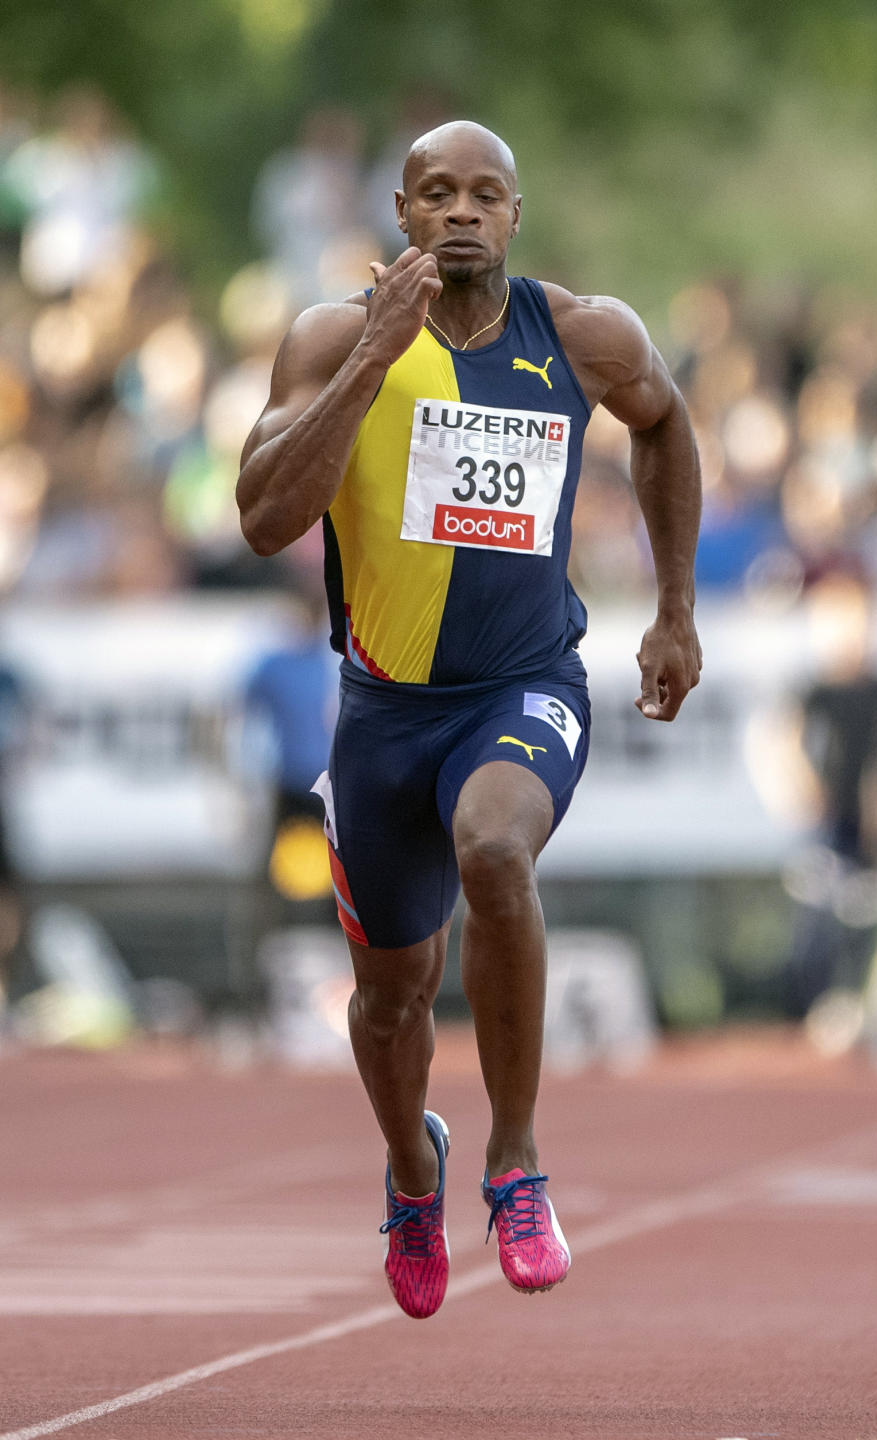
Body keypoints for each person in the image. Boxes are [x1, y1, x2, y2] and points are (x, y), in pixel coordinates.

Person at [237, 121, 702, 1319]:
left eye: (482, 195)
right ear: (400, 212)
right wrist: (372, 358)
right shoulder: (335, 337)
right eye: (435, 193)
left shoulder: (584, 335)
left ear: (512, 212)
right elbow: (263, 517)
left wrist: (673, 611)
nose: (460, 214)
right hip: (385, 714)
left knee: (496, 851)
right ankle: (411, 1164)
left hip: (524, 683)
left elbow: (665, 422)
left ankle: (517, 1160)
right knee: (392, 997)